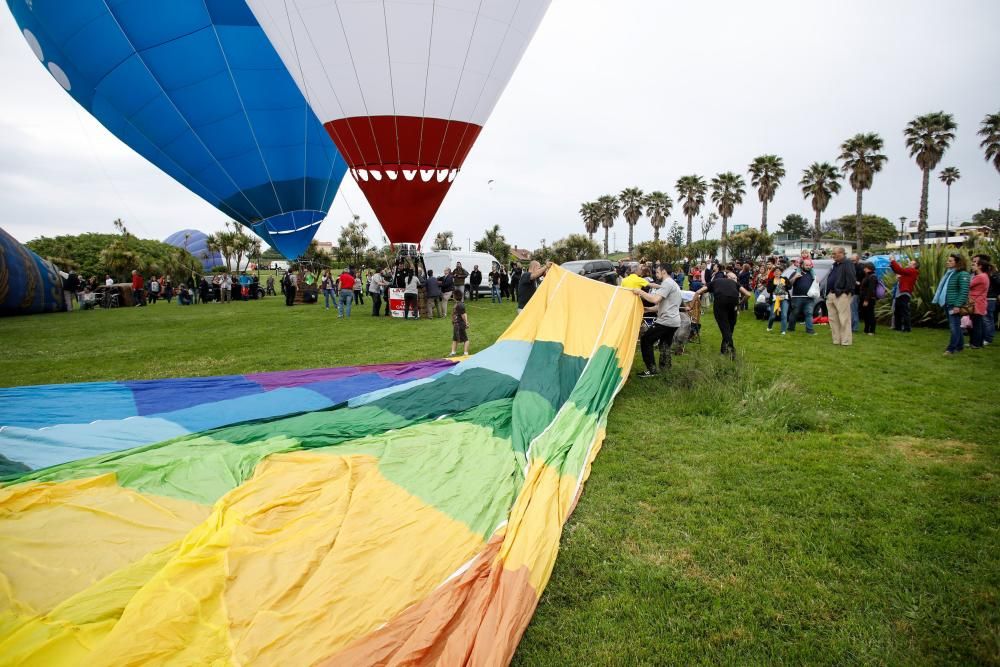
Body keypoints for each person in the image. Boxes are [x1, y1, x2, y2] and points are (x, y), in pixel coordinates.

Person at [632, 265, 682, 377]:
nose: (656, 274)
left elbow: (655, 299)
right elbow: (663, 304)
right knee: (664, 344)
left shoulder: (667, 283)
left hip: (666, 321)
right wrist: (648, 309)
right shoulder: (673, 284)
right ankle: (665, 369)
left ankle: (651, 370)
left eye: (658, 272)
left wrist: (640, 292)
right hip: (673, 321)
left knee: (646, 340)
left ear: (664, 271)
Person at [693, 266, 752, 357]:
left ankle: (731, 350)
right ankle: (723, 350)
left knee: (725, 328)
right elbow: (748, 294)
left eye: (735, 278)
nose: (734, 279)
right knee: (729, 328)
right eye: (734, 278)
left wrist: (693, 305)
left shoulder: (716, 281)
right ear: (728, 278)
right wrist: (740, 303)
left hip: (720, 303)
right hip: (733, 303)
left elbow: (698, 292)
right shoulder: (735, 284)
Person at [932, 252, 970, 355]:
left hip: (954, 304)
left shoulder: (962, 274)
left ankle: (951, 349)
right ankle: (959, 346)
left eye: (950, 261)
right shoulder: (950, 273)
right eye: (948, 260)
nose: (947, 262)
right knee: (955, 326)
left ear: (958, 262)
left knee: (954, 327)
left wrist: (957, 305)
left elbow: (964, 291)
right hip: (948, 303)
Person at [826, 246, 856, 346]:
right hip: (831, 294)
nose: (833, 255)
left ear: (842, 253)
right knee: (833, 319)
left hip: (841, 294)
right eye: (833, 253)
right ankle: (836, 340)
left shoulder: (848, 263)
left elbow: (851, 279)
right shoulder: (835, 265)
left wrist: (845, 292)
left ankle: (846, 341)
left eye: (834, 253)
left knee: (844, 319)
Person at [889, 255, 920, 332]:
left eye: (911, 263)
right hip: (901, 293)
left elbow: (899, 270)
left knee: (904, 311)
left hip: (904, 293)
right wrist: (892, 264)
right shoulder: (909, 271)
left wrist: (893, 260)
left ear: (914, 266)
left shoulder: (912, 271)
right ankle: (898, 327)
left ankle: (907, 328)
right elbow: (898, 271)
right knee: (898, 311)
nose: (909, 263)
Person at [973, 253, 998, 345]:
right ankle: (981, 338)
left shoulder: (991, 272)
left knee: (987, 319)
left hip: (989, 298)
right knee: (981, 319)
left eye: (976, 261)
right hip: (980, 298)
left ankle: (988, 338)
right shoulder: (977, 272)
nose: (974, 263)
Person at [787, 258, 817, 335]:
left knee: (809, 313)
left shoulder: (812, 274)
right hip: (797, 297)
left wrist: (817, 282)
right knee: (794, 313)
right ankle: (791, 328)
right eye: (806, 265)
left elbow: (816, 286)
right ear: (802, 265)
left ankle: (810, 330)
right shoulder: (795, 273)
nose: (808, 266)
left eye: (810, 265)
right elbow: (789, 284)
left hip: (809, 298)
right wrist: (795, 277)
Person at [969, 257, 991, 349]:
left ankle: (975, 344)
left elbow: (968, 285)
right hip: (980, 303)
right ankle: (979, 343)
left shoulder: (980, 277)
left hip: (976, 303)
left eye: (974, 264)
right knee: (978, 324)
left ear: (980, 266)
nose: (972, 266)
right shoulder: (985, 276)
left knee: (976, 324)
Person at [767, 259, 790, 335]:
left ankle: (783, 330)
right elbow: (769, 290)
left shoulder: (785, 279)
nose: (777, 272)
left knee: (784, 314)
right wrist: (775, 284)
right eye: (775, 271)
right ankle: (769, 327)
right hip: (774, 299)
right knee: (772, 316)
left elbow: (789, 287)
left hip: (784, 298)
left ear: (781, 272)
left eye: (778, 271)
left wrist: (785, 284)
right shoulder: (771, 280)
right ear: (773, 273)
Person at [858, 262, 879, 335]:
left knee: (870, 314)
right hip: (864, 297)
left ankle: (872, 330)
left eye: (865, 267)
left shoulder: (873, 276)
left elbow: (871, 289)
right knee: (865, 314)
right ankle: (866, 329)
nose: (864, 269)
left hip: (870, 299)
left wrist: (866, 300)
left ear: (868, 268)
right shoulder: (867, 276)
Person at [449, 291, 470, 356]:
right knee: (455, 338)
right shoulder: (457, 304)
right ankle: (453, 352)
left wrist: (466, 323)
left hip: (459, 324)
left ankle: (465, 353)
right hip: (456, 324)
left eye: (453, 295)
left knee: (466, 340)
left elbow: (463, 315)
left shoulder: (460, 305)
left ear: (455, 297)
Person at [851, 253, 864, 332]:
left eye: (853, 260)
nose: (852, 262)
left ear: (858, 260)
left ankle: (854, 327)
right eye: (851, 260)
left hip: (856, 292)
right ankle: (852, 326)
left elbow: (860, 281)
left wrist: (855, 281)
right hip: (852, 291)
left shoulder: (860, 268)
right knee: (851, 310)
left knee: (853, 310)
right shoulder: (852, 266)